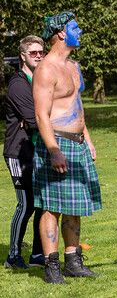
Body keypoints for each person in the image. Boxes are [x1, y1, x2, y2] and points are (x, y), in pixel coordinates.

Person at [33, 11, 102, 284]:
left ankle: (73, 261)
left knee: (75, 205)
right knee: (52, 206)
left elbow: (76, 106)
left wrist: (88, 137)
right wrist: (53, 150)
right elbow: (41, 114)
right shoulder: (46, 69)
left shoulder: (73, 66)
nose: (80, 30)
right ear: (61, 33)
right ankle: (51, 266)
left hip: (77, 143)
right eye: (75, 27)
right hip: (58, 142)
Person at [4, 36, 45, 269]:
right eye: (33, 53)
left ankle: (38, 255)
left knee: (42, 204)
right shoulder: (18, 84)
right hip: (18, 153)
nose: (39, 55)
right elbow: (33, 118)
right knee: (26, 204)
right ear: (22, 56)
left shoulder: (39, 80)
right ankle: (13, 256)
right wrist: (36, 119)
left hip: (38, 149)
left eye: (41, 52)